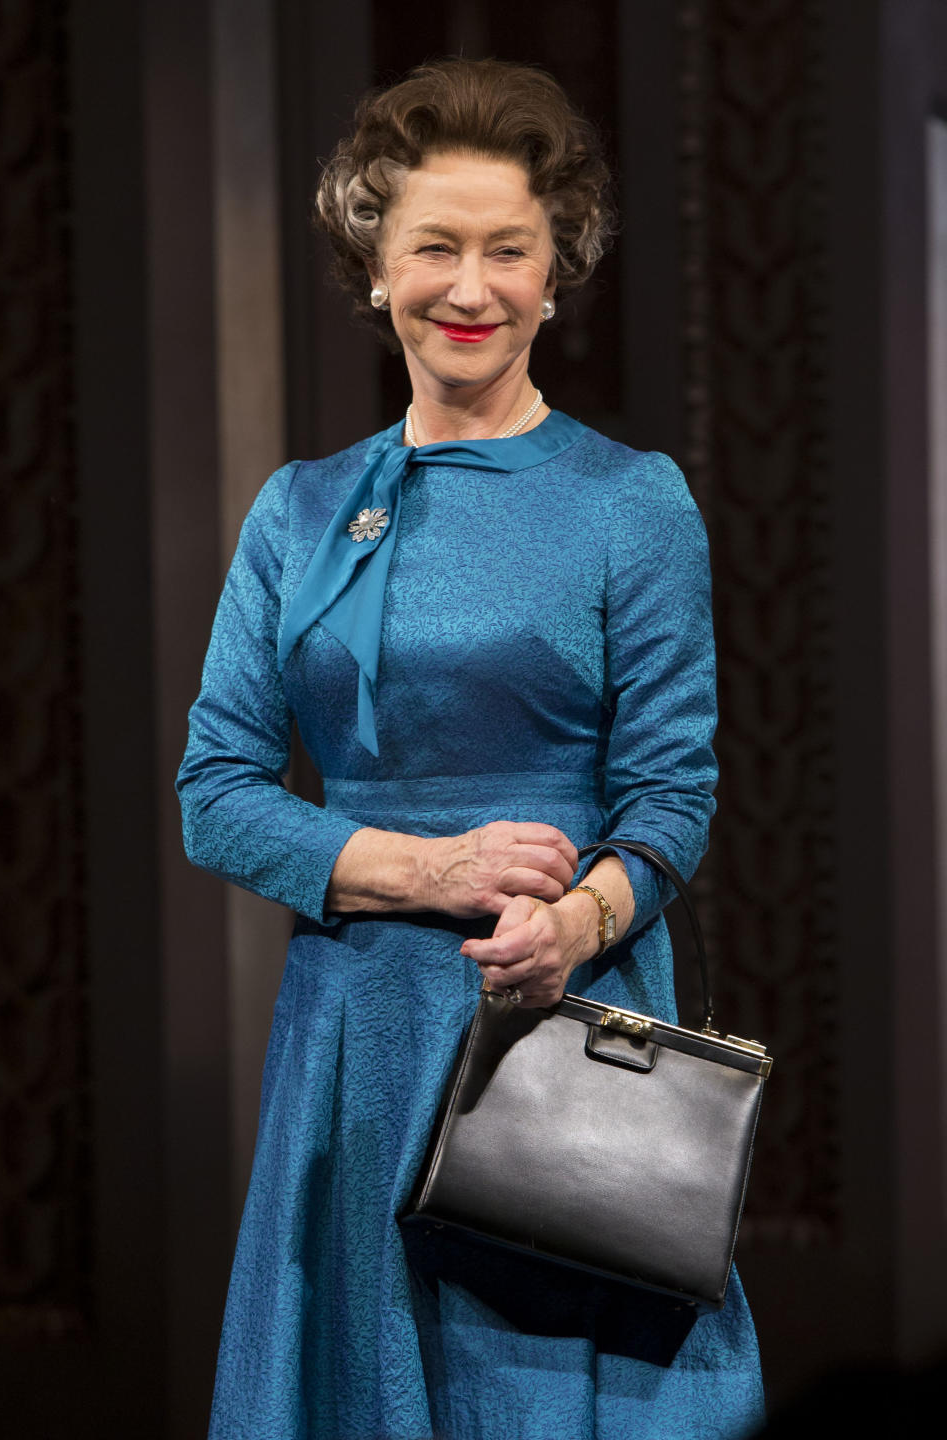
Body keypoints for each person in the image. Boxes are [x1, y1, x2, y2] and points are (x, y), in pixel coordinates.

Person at [177, 57, 764, 1440]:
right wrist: (432, 871)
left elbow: (674, 795)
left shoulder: (632, 504)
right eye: (433, 247)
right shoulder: (302, 511)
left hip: (554, 1027)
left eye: (511, 250)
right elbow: (217, 795)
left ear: (558, 275)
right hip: (361, 1035)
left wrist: (571, 923)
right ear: (374, 269)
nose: (471, 285)